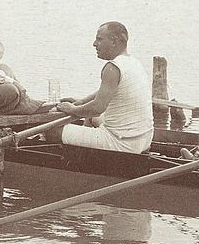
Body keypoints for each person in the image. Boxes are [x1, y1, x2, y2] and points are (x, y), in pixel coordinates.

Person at [45, 21, 154, 154]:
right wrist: (81, 102)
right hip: (143, 140)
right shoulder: (133, 63)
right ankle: (85, 149)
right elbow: (105, 93)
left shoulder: (112, 67)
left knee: (51, 130)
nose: (94, 44)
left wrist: (73, 109)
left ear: (113, 41)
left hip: (121, 143)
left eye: (99, 39)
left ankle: (79, 155)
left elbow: (97, 108)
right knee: (90, 118)